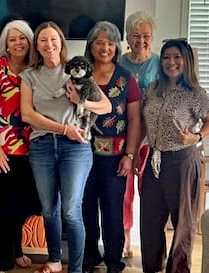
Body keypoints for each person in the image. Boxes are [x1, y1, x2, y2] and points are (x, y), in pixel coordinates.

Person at [20, 21, 111, 273]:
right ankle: (55, 260)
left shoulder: (76, 72)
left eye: (53, 39)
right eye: (43, 40)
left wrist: (80, 103)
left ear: (61, 43)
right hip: (42, 147)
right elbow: (27, 114)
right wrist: (63, 128)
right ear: (36, 46)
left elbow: (107, 107)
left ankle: (77, 269)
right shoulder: (29, 76)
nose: (49, 45)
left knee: (71, 211)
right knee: (49, 210)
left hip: (76, 147)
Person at [0, 19, 39, 273]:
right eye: (12, 39)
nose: (18, 43)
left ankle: (17, 249)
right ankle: (1, 262)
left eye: (22, 38)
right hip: (3, 150)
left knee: (26, 205)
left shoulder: (36, 70)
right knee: (3, 208)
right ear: (6, 44)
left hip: (34, 150)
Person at [139, 38, 209, 273]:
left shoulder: (195, 93)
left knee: (182, 225)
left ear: (186, 61)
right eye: (167, 57)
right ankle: (152, 267)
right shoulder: (153, 89)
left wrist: (197, 137)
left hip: (182, 161)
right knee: (149, 221)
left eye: (177, 57)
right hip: (153, 160)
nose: (171, 62)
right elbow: (142, 121)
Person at [81, 21, 141, 273]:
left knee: (112, 210)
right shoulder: (79, 75)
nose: (104, 48)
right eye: (99, 42)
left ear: (116, 47)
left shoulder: (126, 78)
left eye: (109, 43)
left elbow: (136, 119)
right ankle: (88, 256)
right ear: (91, 45)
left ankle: (114, 261)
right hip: (81, 155)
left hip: (116, 157)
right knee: (84, 209)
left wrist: (130, 155)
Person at [119, 11, 160, 257]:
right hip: (123, 135)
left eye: (146, 36)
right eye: (135, 35)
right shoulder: (119, 63)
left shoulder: (160, 63)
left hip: (153, 137)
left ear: (152, 37)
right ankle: (125, 241)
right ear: (127, 37)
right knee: (124, 192)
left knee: (150, 192)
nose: (141, 40)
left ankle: (151, 245)